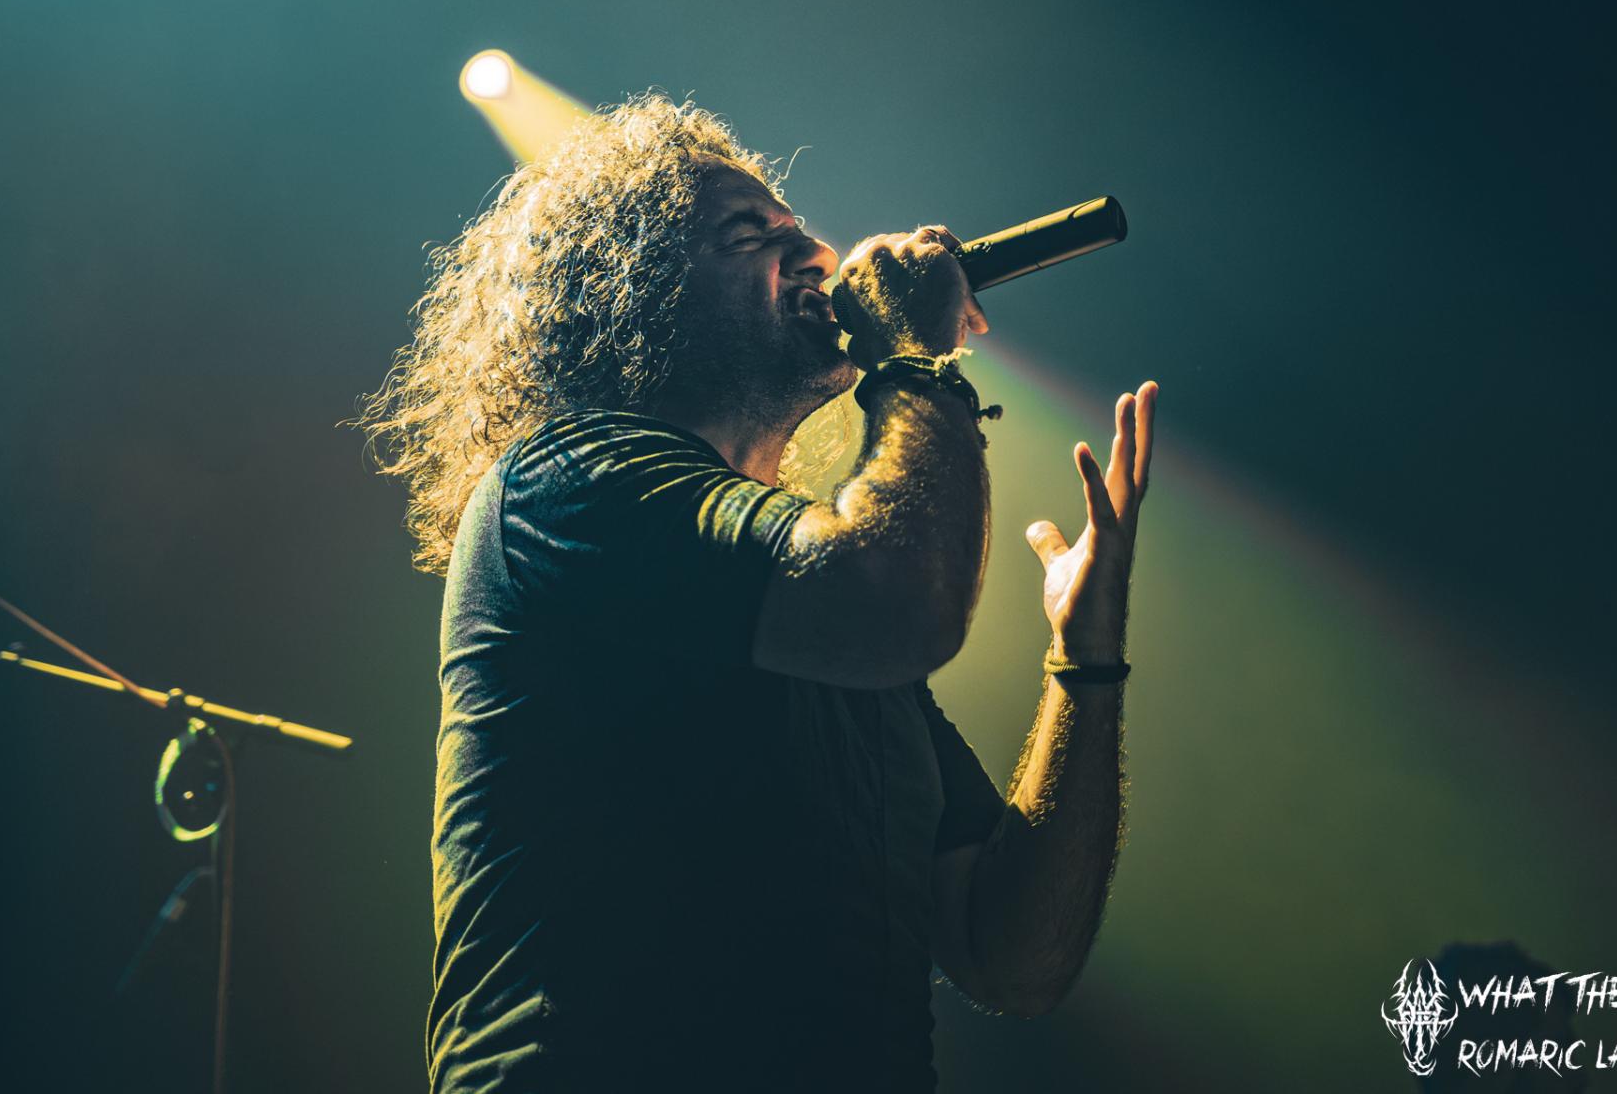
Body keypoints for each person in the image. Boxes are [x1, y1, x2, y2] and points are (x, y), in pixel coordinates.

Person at [359, 94, 1158, 1093]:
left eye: (798, 228)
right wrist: (914, 358)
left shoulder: (822, 605)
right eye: (751, 234)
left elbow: (1014, 956)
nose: (817, 253)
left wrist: (1085, 659)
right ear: (632, 289)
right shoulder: (568, 482)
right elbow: (895, 595)